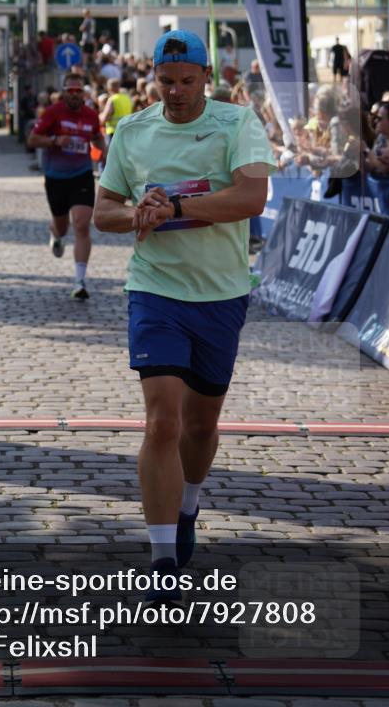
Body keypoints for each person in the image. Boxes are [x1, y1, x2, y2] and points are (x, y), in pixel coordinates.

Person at [93, 30, 274, 601]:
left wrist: (176, 206)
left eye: (187, 81)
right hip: (155, 289)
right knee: (162, 423)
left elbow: (252, 198)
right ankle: (163, 559)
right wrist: (138, 213)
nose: (175, 92)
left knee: (199, 425)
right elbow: (103, 211)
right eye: (165, 81)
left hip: (221, 292)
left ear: (206, 78)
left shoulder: (236, 123)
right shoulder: (132, 130)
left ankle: (189, 503)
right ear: (154, 78)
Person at [28, 73, 105, 300]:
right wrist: (54, 141)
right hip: (56, 177)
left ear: (84, 93)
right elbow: (32, 139)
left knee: (81, 224)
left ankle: (80, 281)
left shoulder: (91, 115)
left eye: (78, 91)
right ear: (63, 92)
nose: (74, 95)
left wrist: (104, 153)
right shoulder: (53, 112)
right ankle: (56, 233)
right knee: (62, 227)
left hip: (81, 174)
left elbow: (96, 136)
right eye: (70, 91)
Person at [99, 78, 132, 150]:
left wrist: (100, 116)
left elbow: (104, 119)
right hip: (125, 132)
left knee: (112, 155)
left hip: (113, 133)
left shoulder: (112, 99)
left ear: (109, 88)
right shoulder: (127, 98)